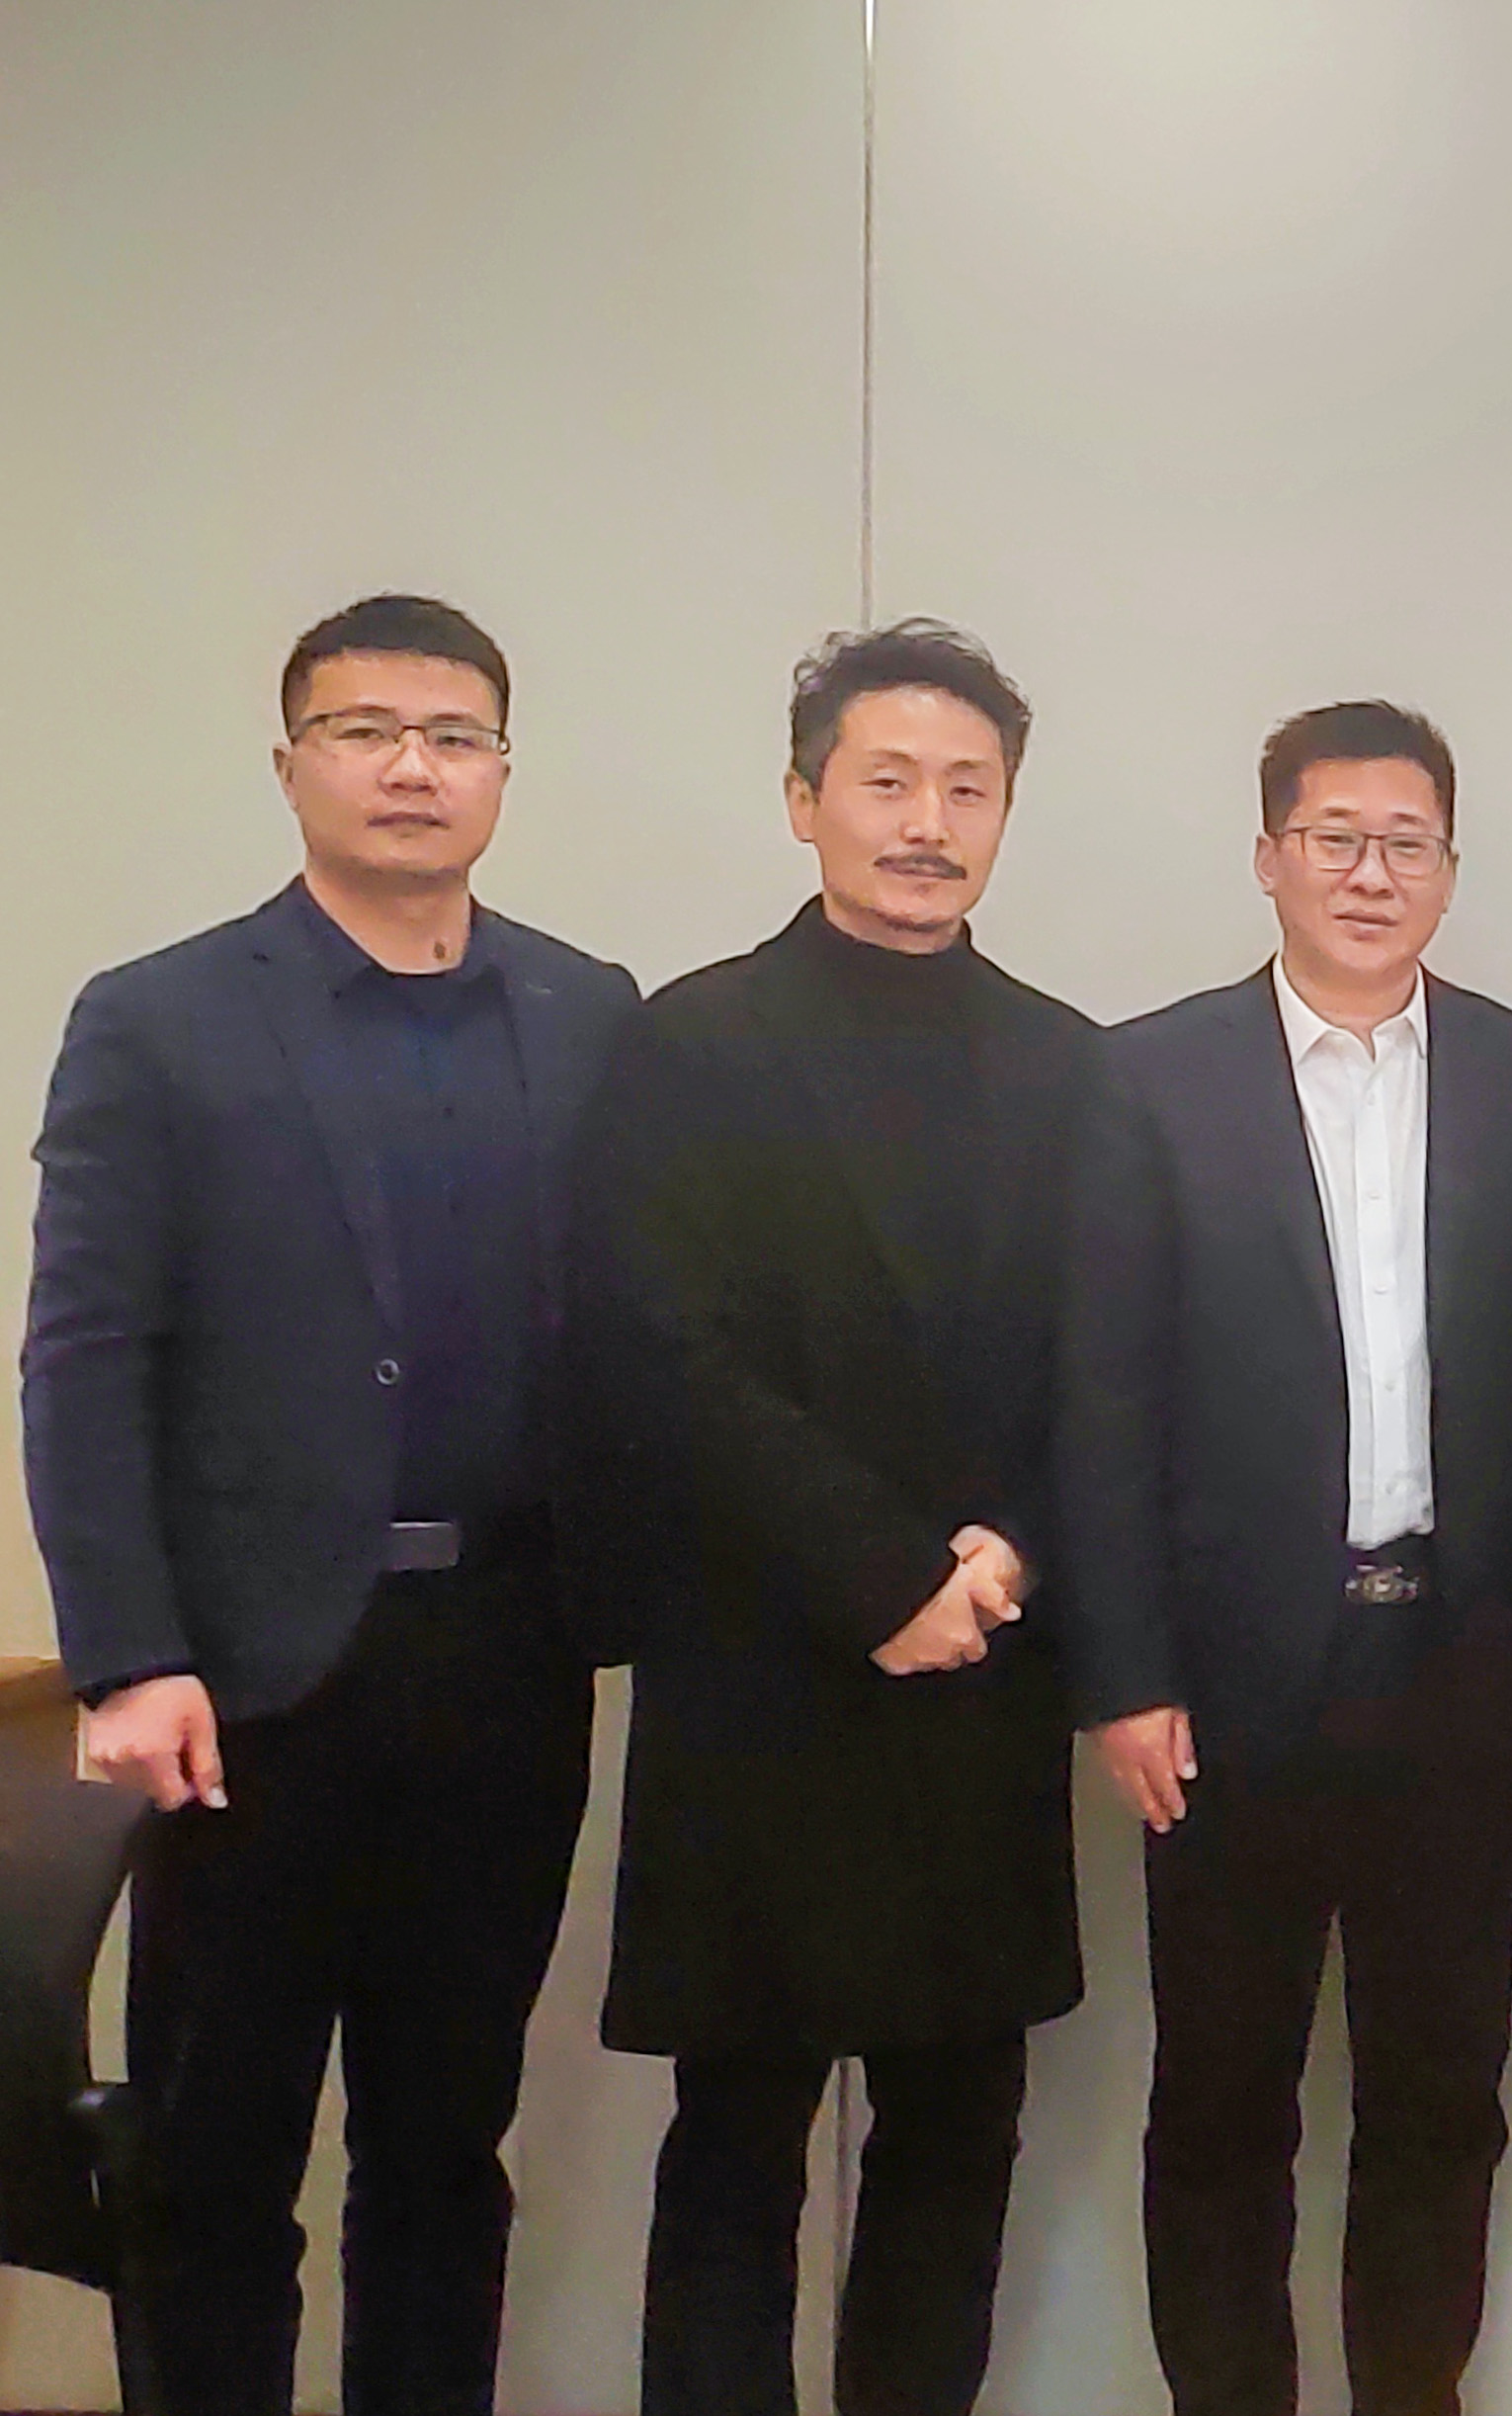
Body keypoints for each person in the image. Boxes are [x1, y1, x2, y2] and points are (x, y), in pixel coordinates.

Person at [21, 597, 635, 2416]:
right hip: (248, 1679)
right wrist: (128, 1655)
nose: (411, 767)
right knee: (216, 2157)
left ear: (502, 772)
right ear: (290, 763)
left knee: (445, 2149)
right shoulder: (159, 1017)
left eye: (454, 735)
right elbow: (84, 1359)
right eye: (365, 730)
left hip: (507, 1656)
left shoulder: (586, 1012)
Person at [576, 620, 1102, 2416]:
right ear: (804, 800)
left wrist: (1011, 1551)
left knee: (959, 2131)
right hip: (765, 1672)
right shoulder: (690, 1040)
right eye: (887, 781)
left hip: (982, 1674)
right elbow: (660, 1350)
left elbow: (1103, 1368)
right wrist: (881, 1575)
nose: (926, 822)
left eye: (968, 788)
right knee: (737, 2141)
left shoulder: (1067, 1065)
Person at [1055, 703, 1512, 2414]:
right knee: (1223, 2096)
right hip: (1226, 1681)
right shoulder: (1148, 1077)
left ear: (1449, 867)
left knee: (1443, 2092)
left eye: (1404, 842)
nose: (1371, 872)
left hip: (1464, 1662)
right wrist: (1123, 1672)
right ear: (1269, 856)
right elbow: (1102, 1397)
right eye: (1335, 837)